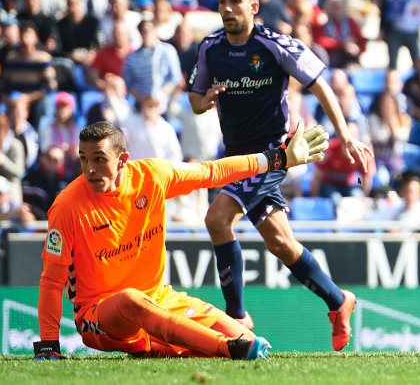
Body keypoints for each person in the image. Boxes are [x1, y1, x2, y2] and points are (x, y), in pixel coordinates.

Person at [34, 120, 330, 360]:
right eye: (84, 160)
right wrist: (49, 345)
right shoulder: (67, 206)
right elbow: (51, 280)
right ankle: (224, 348)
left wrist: (276, 158)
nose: (90, 170)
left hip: (158, 299)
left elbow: (212, 172)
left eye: (99, 160)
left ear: (123, 160)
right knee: (131, 300)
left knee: (247, 338)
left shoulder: (153, 177)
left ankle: (163, 346)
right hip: (98, 317)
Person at [188, 0, 374, 351]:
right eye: (222, 1)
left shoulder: (273, 44)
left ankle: (237, 318)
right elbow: (194, 100)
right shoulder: (210, 48)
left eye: (235, 1)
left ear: (253, 8)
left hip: (273, 154)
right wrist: (206, 99)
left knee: (217, 218)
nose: (226, 8)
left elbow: (320, 81)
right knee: (281, 243)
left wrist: (347, 134)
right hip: (235, 157)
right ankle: (338, 302)